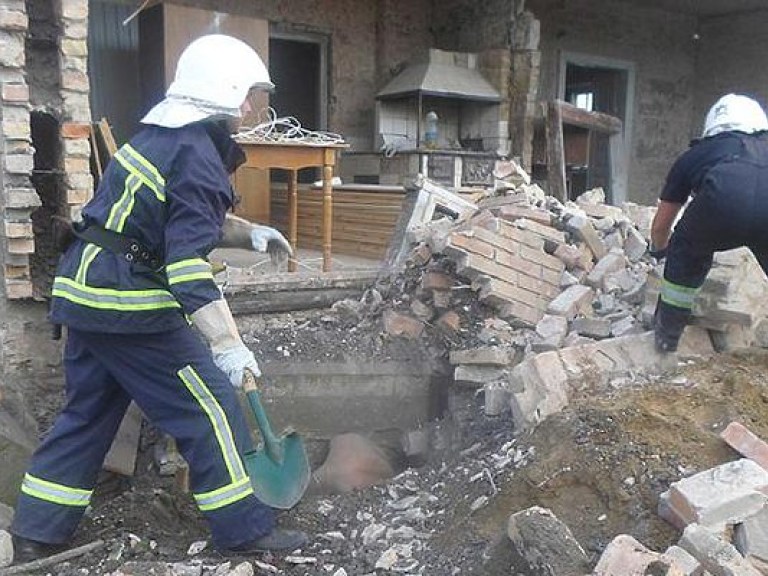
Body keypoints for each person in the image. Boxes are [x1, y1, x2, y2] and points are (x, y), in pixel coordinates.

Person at [10, 34, 308, 563]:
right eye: (245, 95)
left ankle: (37, 531)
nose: (249, 108)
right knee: (212, 406)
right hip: (129, 305)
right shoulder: (197, 155)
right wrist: (228, 343)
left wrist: (248, 234)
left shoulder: (160, 136)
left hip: (83, 293)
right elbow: (186, 265)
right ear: (219, 93)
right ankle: (243, 528)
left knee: (87, 415)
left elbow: (166, 220)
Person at [650, 93, 768, 353]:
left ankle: (666, 340)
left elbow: (662, 224)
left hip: (722, 205)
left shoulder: (696, 155)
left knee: (687, 249)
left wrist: (660, 251)